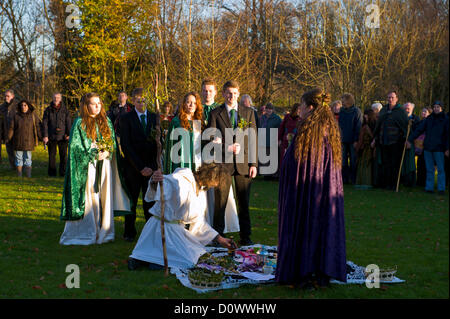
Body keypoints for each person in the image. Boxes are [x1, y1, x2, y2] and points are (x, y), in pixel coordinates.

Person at [276, 88, 346, 289]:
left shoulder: (310, 132)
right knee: (321, 227)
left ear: (311, 107)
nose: (300, 110)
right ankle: (321, 272)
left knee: (305, 226)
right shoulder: (328, 130)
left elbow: (300, 165)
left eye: (302, 106)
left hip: (306, 192)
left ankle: (303, 273)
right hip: (323, 193)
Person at [128, 163, 235, 270]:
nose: (215, 186)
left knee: (196, 254)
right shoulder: (182, 179)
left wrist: (220, 239)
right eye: (217, 182)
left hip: (175, 230)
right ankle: (143, 260)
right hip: (160, 229)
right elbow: (167, 182)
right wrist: (156, 180)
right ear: (212, 177)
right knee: (186, 263)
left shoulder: (200, 191)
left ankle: (149, 260)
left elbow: (199, 223)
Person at [59, 93, 132, 245]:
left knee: (105, 197)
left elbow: (112, 142)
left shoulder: (106, 121)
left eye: (99, 103)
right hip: (89, 167)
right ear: (86, 106)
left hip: (105, 165)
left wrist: (108, 151)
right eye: (93, 103)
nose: (97, 106)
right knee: (90, 196)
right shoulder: (80, 123)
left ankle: (105, 232)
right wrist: (92, 153)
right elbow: (75, 147)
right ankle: (88, 231)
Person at [207, 80, 258, 245]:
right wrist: (226, 147)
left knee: (244, 202)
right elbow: (210, 139)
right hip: (223, 164)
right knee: (220, 202)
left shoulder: (248, 112)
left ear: (238, 93)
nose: (232, 96)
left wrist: (254, 164)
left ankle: (246, 237)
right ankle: (218, 237)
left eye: (235, 93)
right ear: (223, 93)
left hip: (244, 163)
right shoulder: (215, 113)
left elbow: (253, 139)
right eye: (229, 93)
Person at [119, 88, 161, 242]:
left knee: (149, 200)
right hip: (133, 167)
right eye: (138, 101)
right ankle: (129, 232)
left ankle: (150, 231)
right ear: (133, 101)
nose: (141, 103)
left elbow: (158, 143)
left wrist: (152, 167)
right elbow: (126, 145)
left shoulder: (154, 117)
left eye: (144, 101)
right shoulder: (126, 118)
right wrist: (140, 167)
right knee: (132, 200)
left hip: (151, 167)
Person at [407, 101, 449, 195]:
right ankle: (429, 187)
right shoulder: (429, 119)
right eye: (434, 107)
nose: (436, 109)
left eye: (438, 107)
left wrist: (447, 148)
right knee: (429, 169)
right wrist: (410, 139)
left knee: (441, 169)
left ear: (441, 108)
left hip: (439, 148)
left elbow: (447, 135)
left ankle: (441, 188)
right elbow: (419, 130)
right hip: (428, 148)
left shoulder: (446, 119)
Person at [371, 91, 409, 190]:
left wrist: (407, 140)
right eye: (388, 97)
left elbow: (405, 127)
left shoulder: (400, 111)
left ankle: (394, 184)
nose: (390, 99)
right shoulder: (383, 110)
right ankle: (385, 183)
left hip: (396, 143)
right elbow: (378, 126)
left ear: (396, 99)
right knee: (385, 163)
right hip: (384, 141)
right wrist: (375, 139)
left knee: (394, 164)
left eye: (392, 97)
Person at [164, 92, 203, 174]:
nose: (191, 105)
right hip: (181, 164)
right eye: (188, 102)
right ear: (184, 104)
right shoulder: (176, 122)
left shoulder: (199, 121)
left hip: (198, 162)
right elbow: (170, 146)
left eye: (194, 103)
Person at [7, 100, 42, 177]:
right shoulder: (16, 116)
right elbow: (12, 128)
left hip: (29, 141)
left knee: (28, 158)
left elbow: (37, 127)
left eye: (25, 105)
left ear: (28, 106)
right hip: (18, 141)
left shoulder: (33, 116)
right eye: (22, 105)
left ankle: (28, 176)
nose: (23, 107)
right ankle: (19, 176)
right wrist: (8, 138)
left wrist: (41, 137)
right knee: (18, 158)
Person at [42, 93, 72, 177]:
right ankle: (52, 173)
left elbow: (68, 122)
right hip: (51, 136)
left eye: (58, 97)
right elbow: (44, 123)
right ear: (52, 98)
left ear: (61, 99)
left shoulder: (65, 110)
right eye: (55, 97)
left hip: (63, 137)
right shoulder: (48, 110)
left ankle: (63, 173)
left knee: (63, 156)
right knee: (51, 156)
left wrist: (69, 134)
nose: (56, 99)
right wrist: (45, 136)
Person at [338, 93, 363, 185]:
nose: (342, 102)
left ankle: (353, 178)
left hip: (353, 140)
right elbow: (339, 125)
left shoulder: (357, 111)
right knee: (343, 161)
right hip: (343, 140)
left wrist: (356, 140)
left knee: (353, 160)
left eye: (343, 100)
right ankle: (344, 179)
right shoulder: (342, 111)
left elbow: (358, 126)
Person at [355, 109, 377, 189]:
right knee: (364, 165)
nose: (365, 116)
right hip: (367, 148)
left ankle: (365, 182)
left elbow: (361, 139)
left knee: (366, 166)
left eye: (366, 115)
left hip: (367, 148)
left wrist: (357, 148)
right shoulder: (372, 125)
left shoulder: (366, 126)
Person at [259, 103, 282, 179]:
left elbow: (281, 128)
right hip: (263, 140)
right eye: (267, 108)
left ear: (272, 110)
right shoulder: (262, 117)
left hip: (272, 140)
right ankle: (266, 175)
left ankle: (273, 174)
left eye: (270, 109)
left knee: (272, 158)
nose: (268, 110)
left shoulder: (277, 118)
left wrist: (279, 139)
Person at [400, 102, 420, 187]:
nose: (407, 110)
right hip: (401, 142)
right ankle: (402, 180)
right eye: (405, 108)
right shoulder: (401, 118)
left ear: (412, 109)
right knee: (402, 163)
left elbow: (417, 131)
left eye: (409, 108)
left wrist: (409, 140)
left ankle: (411, 182)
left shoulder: (416, 119)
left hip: (411, 143)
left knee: (410, 163)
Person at [0, 89, 18, 169]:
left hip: (16, 132)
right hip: (6, 132)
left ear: (13, 96)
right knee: (9, 151)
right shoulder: (2, 107)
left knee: (18, 151)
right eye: (5, 96)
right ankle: (13, 167)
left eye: (8, 96)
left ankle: (20, 167)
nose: (6, 98)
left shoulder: (18, 106)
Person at [278, 103, 301, 167]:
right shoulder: (287, 117)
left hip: (295, 142)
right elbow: (281, 128)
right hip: (285, 142)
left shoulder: (301, 118)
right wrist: (279, 139)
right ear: (294, 109)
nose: (299, 110)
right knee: (283, 159)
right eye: (298, 109)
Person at [415, 107, 431, 187]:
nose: (423, 113)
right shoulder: (419, 122)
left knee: (425, 164)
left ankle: (424, 181)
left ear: (429, 113)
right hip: (419, 145)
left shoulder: (430, 122)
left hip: (426, 145)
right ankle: (419, 181)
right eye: (423, 111)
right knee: (419, 164)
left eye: (425, 112)